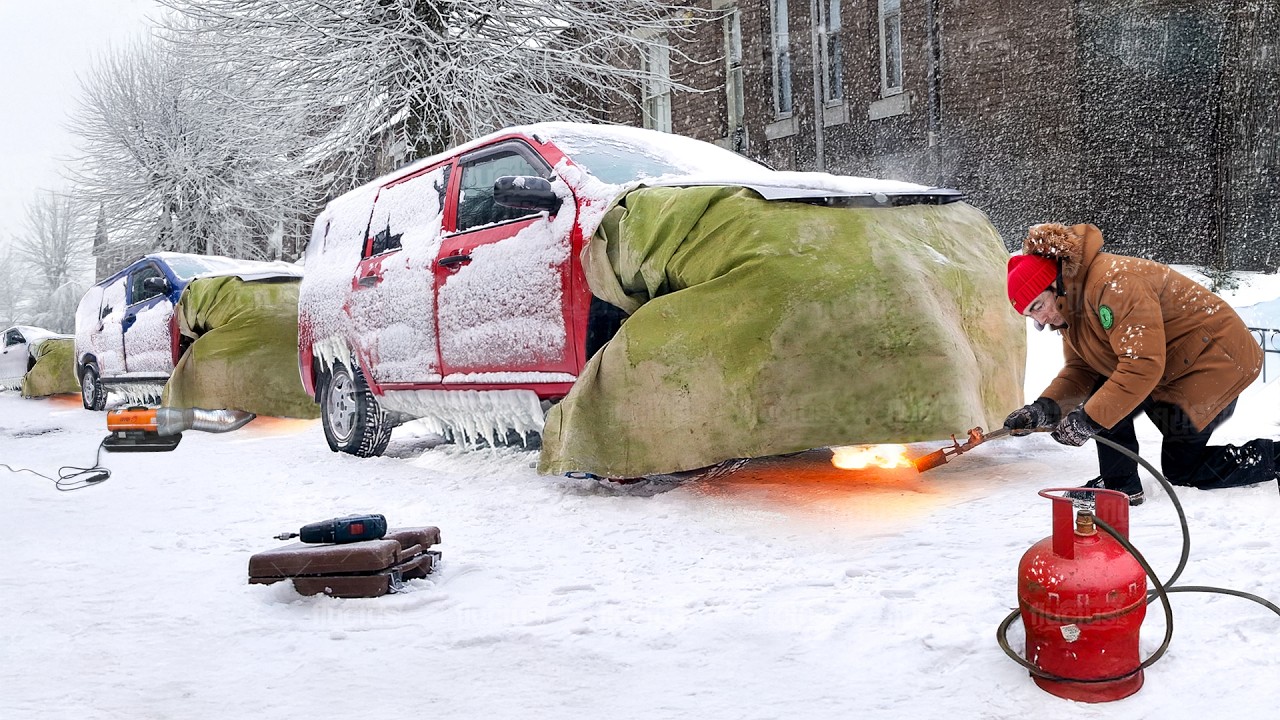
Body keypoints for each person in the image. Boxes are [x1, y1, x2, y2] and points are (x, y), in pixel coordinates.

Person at [1003, 222, 1278, 505]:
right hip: (1174, 365)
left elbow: (1141, 366)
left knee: (1181, 466)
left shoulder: (1113, 284)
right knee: (1106, 393)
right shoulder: (1069, 308)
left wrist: (1088, 420)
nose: (1040, 319)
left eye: (1037, 306)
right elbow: (1082, 369)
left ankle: (1275, 457)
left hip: (1216, 360)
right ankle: (1119, 486)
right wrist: (1044, 408)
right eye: (1030, 316)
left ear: (1054, 285)